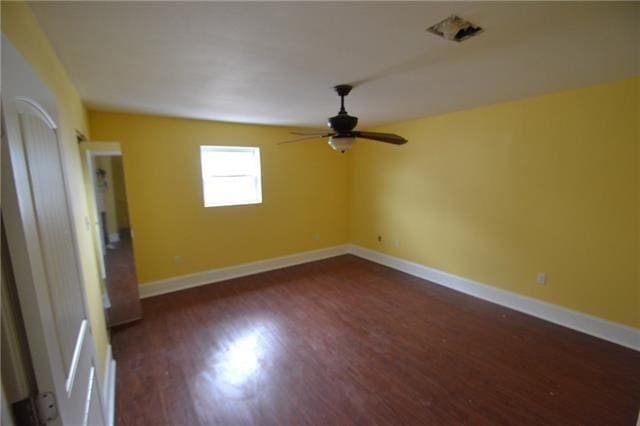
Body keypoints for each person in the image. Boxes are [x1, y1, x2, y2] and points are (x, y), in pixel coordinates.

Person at [95, 168, 115, 249]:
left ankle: (106, 244)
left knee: (104, 227)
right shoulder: (94, 185)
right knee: (98, 228)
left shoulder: (101, 185)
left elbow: (107, 186)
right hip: (95, 210)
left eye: (100, 174)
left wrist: (104, 177)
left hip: (102, 209)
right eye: (97, 174)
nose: (98, 176)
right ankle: (101, 245)